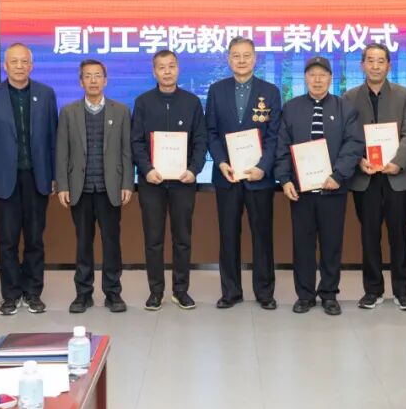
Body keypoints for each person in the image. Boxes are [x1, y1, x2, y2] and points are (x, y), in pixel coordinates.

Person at [274, 56, 365, 316]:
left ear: (330, 78)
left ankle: (329, 294)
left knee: (331, 244)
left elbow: (354, 144)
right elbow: (282, 146)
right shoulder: (291, 108)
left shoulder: (344, 107)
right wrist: (285, 179)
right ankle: (304, 295)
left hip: (333, 189)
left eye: (322, 75)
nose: (317, 80)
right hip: (301, 192)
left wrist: (338, 175)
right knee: (302, 245)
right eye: (312, 75)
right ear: (305, 78)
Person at [0, 43, 58, 316]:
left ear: (31, 65)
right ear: (5, 65)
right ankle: (10, 295)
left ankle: (33, 293)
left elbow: (53, 139)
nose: (20, 66)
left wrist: (55, 176)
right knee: (8, 241)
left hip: (37, 177)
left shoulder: (46, 94)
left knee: (35, 240)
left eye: (25, 61)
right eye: (14, 61)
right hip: (4, 178)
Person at [205, 37, 282, 310]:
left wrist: (263, 167)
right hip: (227, 176)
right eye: (236, 55)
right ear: (229, 59)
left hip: (259, 178)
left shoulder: (270, 91)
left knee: (262, 236)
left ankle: (265, 292)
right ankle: (231, 292)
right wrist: (221, 162)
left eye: (246, 55)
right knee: (228, 235)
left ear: (255, 58)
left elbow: (274, 135)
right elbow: (211, 132)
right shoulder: (217, 90)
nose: (241, 60)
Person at [131, 50, 207, 311]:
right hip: (151, 182)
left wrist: (194, 170)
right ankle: (156, 292)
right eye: (161, 67)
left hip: (183, 182)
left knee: (182, 238)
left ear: (178, 69)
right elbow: (136, 141)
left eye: (171, 66)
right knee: (153, 239)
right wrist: (147, 169)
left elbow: (200, 140)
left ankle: (180, 290)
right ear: (154, 72)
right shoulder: (143, 102)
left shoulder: (191, 102)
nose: (167, 71)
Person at [55, 59, 133, 314]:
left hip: (110, 188)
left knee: (112, 244)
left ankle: (113, 293)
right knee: (83, 244)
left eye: (97, 75)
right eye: (87, 76)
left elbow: (126, 151)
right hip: (81, 189)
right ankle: (83, 294)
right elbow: (62, 152)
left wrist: (127, 183)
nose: (93, 80)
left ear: (105, 80)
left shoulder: (121, 111)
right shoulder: (68, 112)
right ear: (81, 82)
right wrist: (63, 185)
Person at [343, 43, 406, 310]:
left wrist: (398, 162)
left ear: (389, 65)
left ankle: (402, 291)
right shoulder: (349, 97)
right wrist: (358, 160)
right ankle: (372, 290)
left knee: (399, 235)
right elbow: (347, 136)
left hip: (397, 177)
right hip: (366, 178)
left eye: (381, 61)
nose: (375, 66)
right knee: (369, 235)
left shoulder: (405, 95)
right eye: (370, 61)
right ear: (362, 65)